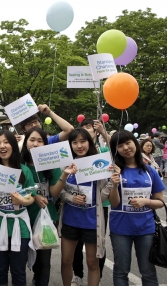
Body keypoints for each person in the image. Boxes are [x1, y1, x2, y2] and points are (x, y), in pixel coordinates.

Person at [0, 130, 37, 286]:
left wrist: (22, 200)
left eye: (6, 142)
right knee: (0, 270)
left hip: (20, 226)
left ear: (13, 146)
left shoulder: (25, 170)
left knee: (18, 271)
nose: (2, 146)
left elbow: (31, 197)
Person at [108, 130, 165, 286]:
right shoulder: (114, 171)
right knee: (121, 270)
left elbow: (160, 201)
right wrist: (114, 185)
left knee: (148, 271)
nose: (126, 148)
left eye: (128, 143)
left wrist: (145, 201)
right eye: (120, 146)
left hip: (146, 228)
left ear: (135, 143)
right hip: (120, 229)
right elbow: (113, 203)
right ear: (116, 150)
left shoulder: (150, 171)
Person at [58, 128, 114, 286]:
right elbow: (59, 191)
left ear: (90, 143)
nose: (79, 145)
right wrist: (71, 197)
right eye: (74, 142)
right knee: (66, 261)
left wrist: (112, 183)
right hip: (70, 221)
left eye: (83, 141)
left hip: (92, 222)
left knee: (92, 263)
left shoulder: (98, 164)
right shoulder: (66, 164)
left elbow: (102, 197)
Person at [21, 127, 64, 286]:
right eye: (32, 140)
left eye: (40, 141)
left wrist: (64, 176)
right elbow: (13, 188)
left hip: (46, 219)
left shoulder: (51, 164)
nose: (35, 144)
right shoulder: (19, 163)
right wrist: (34, 196)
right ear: (26, 143)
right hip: (23, 218)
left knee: (44, 262)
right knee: (20, 260)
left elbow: (54, 192)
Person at [72, 118, 111, 285]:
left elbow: (115, 151)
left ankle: (97, 275)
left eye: (89, 128)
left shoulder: (102, 151)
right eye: (83, 128)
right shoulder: (74, 155)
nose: (87, 130)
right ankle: (77, 274)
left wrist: (104, 133)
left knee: (97, 244)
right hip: (77, 206)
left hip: (100, 206)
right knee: (76, 244)